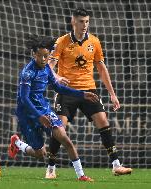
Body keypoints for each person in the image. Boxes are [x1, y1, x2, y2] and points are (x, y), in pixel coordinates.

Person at [46, 8, 132, 178]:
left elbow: (101, 68)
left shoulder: (94, 41)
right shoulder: (62, 42)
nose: (84, 25)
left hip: (88, 89)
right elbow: (49, 65)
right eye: (81, 21)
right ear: (73, 22)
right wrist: (56, 77)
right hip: (67, 91)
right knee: (59, 127)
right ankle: (51, 168)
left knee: (103, 121)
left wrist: (112, 94)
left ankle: (116, 165)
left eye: (86, 21)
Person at [8, 35, 98, 182]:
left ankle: (81, 175)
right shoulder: (27, 73)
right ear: (33, 54)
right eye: (40, 56)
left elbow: (58, 87)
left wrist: (82, 94)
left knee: (65, 140)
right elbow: (24, 99)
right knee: (40, 153)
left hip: (44, 110)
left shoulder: (47, 70)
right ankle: (17, 143)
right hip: (27, 114)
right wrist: (38, 116)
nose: (43, 59)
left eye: (46, 56)